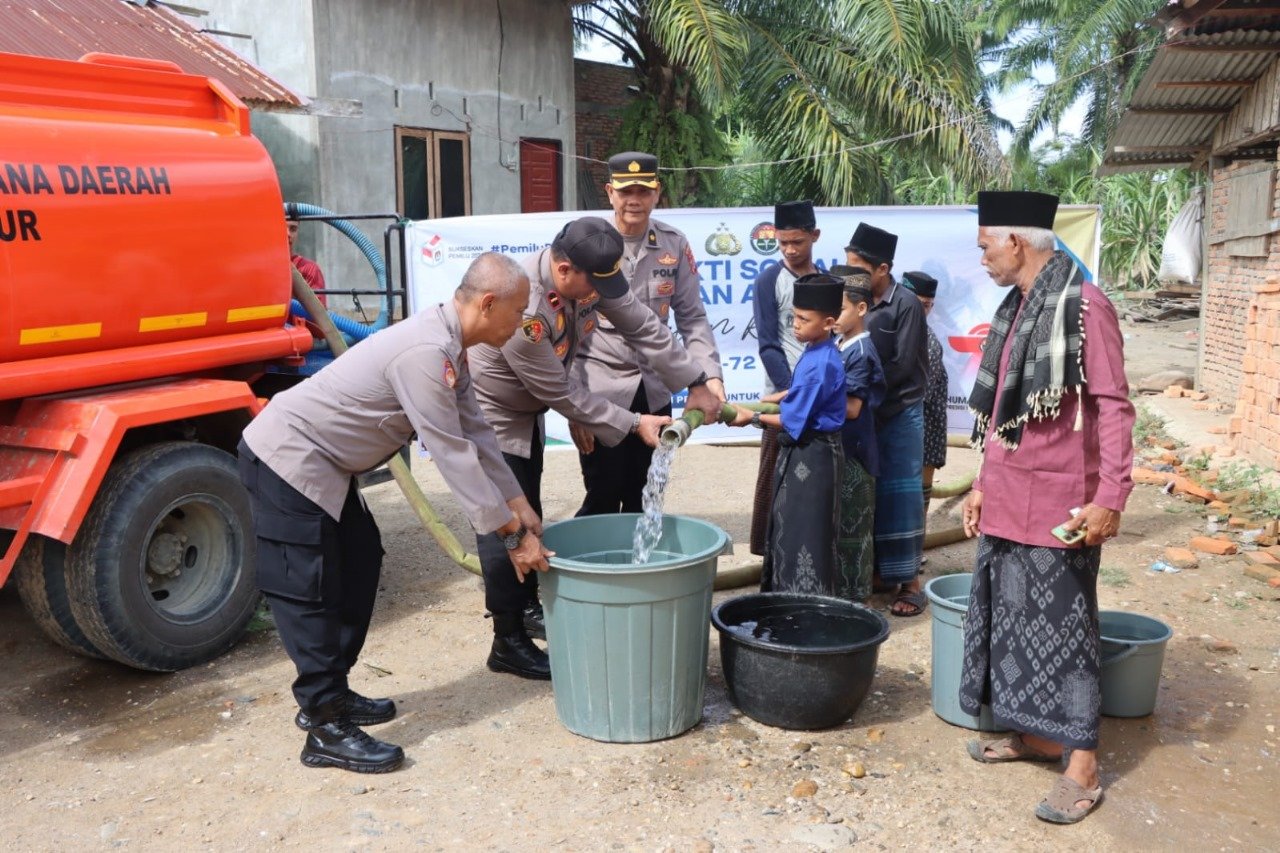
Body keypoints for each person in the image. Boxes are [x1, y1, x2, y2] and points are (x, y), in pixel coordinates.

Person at [238, 253, 552, 774]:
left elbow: (476, 429)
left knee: (360, 561)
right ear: (489, 303)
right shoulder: (426, 353)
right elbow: (451, 454)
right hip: (287, 461)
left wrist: (520, 504)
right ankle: (323, 724)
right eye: (518, 312)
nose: (522, 323)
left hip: (328, 468)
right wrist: (513, 535)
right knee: (310, 588)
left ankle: (333, 689)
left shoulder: (454, 343)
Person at [470, 217, 724, 679]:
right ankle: (506, 639)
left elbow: (646, 326)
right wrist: (633, 422)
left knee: (532, 508)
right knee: (505, 516)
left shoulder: (592, 275)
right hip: (495, 413)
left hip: (530, 404)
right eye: (595, 283)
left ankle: (527, 608)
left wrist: (698, 381)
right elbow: (562, 393)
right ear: (564, 270)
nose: (602, 292)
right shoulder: (524, 311)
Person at [959, 190, 1135, 825]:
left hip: (1062, 501)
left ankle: (1082, 765)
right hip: (1007, 495)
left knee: (1065, 630)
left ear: (1015, 242)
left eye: (985, 246)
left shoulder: (1086, 307)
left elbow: (1113, 407)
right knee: (1008, 622)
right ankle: (1035, 734)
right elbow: (1002, 416)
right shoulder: (1015, 309)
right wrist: (981, 483)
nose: (981, 257)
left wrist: (1110, 495)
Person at [571, 151, 724, 516]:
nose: (634, 200)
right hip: (602, 392)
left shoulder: (674, 244)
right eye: (626, 192)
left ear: (657, 193)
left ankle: (643, 572)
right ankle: (599, 570)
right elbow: (568, 330)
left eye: (643, 191)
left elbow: (692, 318)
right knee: (603, 496)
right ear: (610, 193)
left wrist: (710, 376)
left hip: (654, 391)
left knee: (648, 496)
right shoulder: (588, 244)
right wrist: (575, 409)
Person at [732, 274, 846, 594]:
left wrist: (752, 416)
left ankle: (802, 605)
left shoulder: (821, 362)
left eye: (803, 319)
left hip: (815, 456)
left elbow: (795, 418)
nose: (795, 325)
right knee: (790, 524)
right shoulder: (817, 350)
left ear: (828, 323)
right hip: (809, 453)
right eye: (793, 316)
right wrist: (784, 395)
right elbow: (806, 395)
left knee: (804, 531)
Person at [844, 222, 929, 616]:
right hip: (867, 413)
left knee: (903, 495)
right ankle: (879, 572)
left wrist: (865, 393)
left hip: (899, 411)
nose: (850, 272)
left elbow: (903, 364)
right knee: (869, 494)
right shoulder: (852, 300)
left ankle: (910, 581)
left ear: (882, 268)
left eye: (857, 266)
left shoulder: (906, 304)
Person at [750, 200, 821, 556]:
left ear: (814, 236)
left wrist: (815, 390)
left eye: (798, 242)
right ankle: (768, 553)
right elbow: (767, 344)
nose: (791, 250)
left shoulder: (827, 282)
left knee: (813, 471)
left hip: (819, 396)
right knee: (773, 473)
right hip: (782, 394)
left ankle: (805, 546)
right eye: (783, 243)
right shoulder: (768, 281)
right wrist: (792, 390)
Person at [830, 266, 885, 602]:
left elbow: (851, 409)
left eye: (840, 309)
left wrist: (811, 402)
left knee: (854, 534)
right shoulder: (841, 344)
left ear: (861, 309)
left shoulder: (861, 352)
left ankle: (857, 604)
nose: (832, 316)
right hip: (842, 451)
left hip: (856, 458)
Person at [902, 270, 948, 562]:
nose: (923, 310)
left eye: (928, 304)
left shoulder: (927, 342)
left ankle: (913, 554)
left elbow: (919, 395)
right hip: (911, 428)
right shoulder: (901, 331)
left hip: (924, 430)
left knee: (919, 495)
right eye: (918, 302)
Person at [287, 217, 326, 304]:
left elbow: (317, 315)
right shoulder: (261, 268)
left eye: (293, 229)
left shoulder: (310, 270)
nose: (288, 233)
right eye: (282, 227)